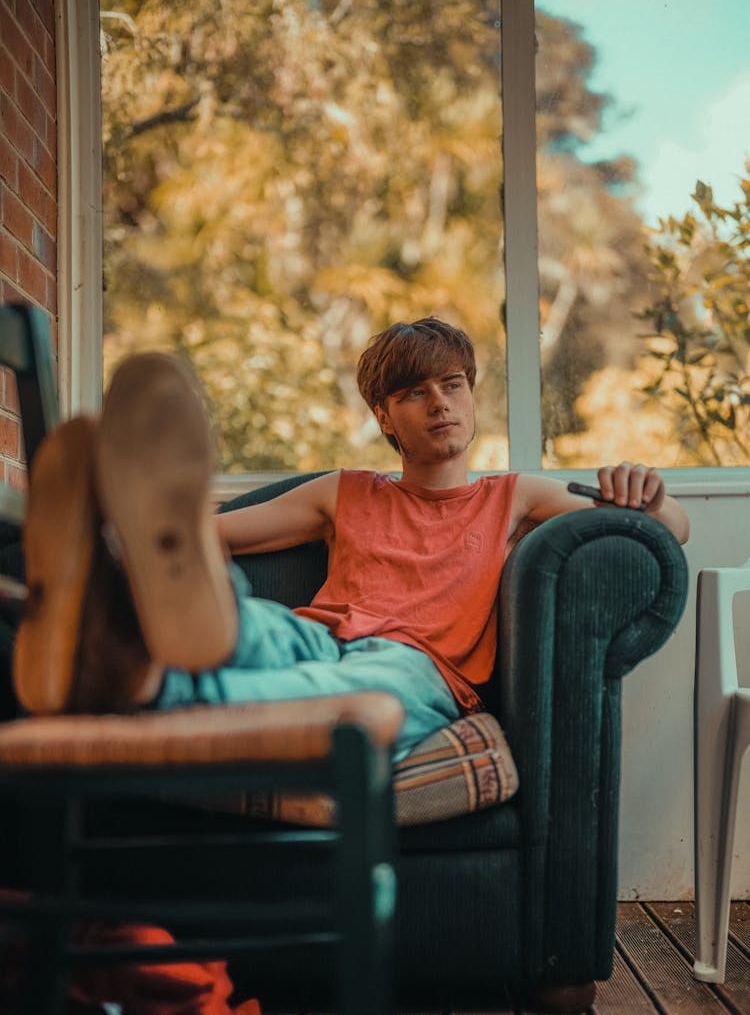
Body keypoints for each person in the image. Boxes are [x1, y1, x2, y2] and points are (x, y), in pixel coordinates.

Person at [13, 318, 690, 758]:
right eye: (416, 393)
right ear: (384, 415)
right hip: (319, 634)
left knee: (358, 688)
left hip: (420, 668)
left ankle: (134, 677)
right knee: (250, 622)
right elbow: (203, 537)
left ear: (471, 396)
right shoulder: (344, 490)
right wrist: (124, 531)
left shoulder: (515, 497)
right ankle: (108, 599)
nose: (440, 403)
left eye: (452, 385)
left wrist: (649, 499)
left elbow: (671, 535)